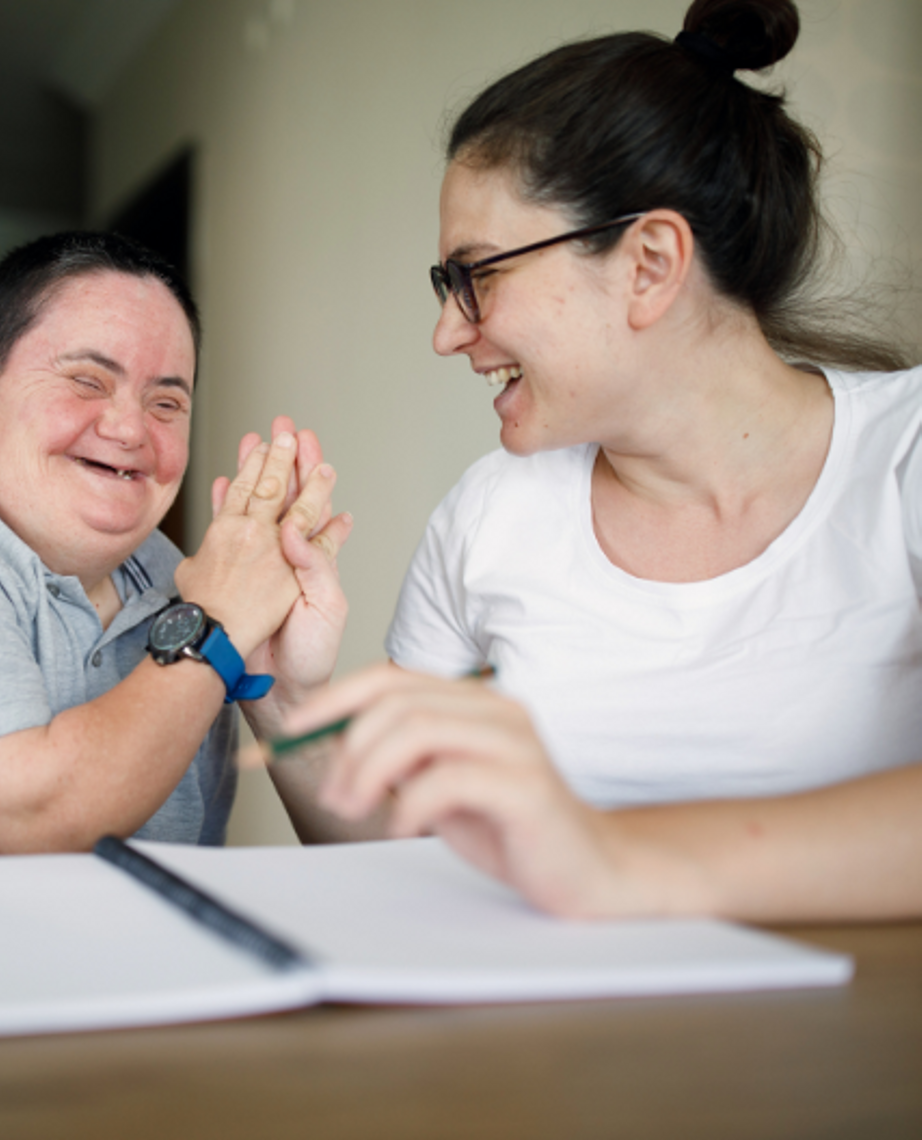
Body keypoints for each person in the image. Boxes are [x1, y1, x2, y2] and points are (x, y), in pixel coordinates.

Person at [268, 0, 922, 921]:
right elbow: (407, 853)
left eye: (477, 274)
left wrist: (610, 860)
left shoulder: (907, 454)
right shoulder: (489, 514)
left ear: (650, 263)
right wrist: (283, 690)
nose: (448, 331)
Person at [0, 231, 350, 862]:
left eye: (166, 401)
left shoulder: (183, 583)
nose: (129, 428)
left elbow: (372, 875)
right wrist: (215, 627)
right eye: (87, 381)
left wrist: (284, 702)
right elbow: (39, 814)